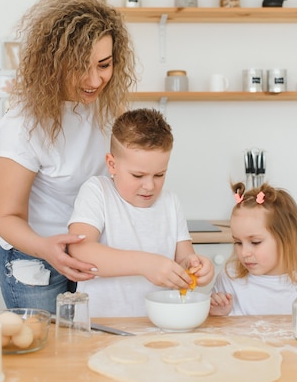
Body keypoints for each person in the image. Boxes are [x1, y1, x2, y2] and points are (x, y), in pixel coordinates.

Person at [0, 0, 137, 313]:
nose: (94, 80)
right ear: (53, 63)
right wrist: (46, 248)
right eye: (80, 67)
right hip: (35, 259)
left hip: (92, 252)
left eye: (104, 65)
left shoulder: (107, 111)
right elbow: (6, 218)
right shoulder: (23, 125)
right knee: (46, 357)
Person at [67, 108, 214, 317]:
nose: (149, 186)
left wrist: (196, 267)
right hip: (102, 324)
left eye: (159, 175)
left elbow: (184, 258)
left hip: (157, 323)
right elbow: (80, 251)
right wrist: (146, 264)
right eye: (138, 175)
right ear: (112, 164)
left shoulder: (170, 202)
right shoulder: (97, 191)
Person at [209, 182, 297, 316]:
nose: (244, 253)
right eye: (238, 242)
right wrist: (217, 314)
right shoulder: (230, 277)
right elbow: (213, 330)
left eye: (255, 242)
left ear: (286, 239)